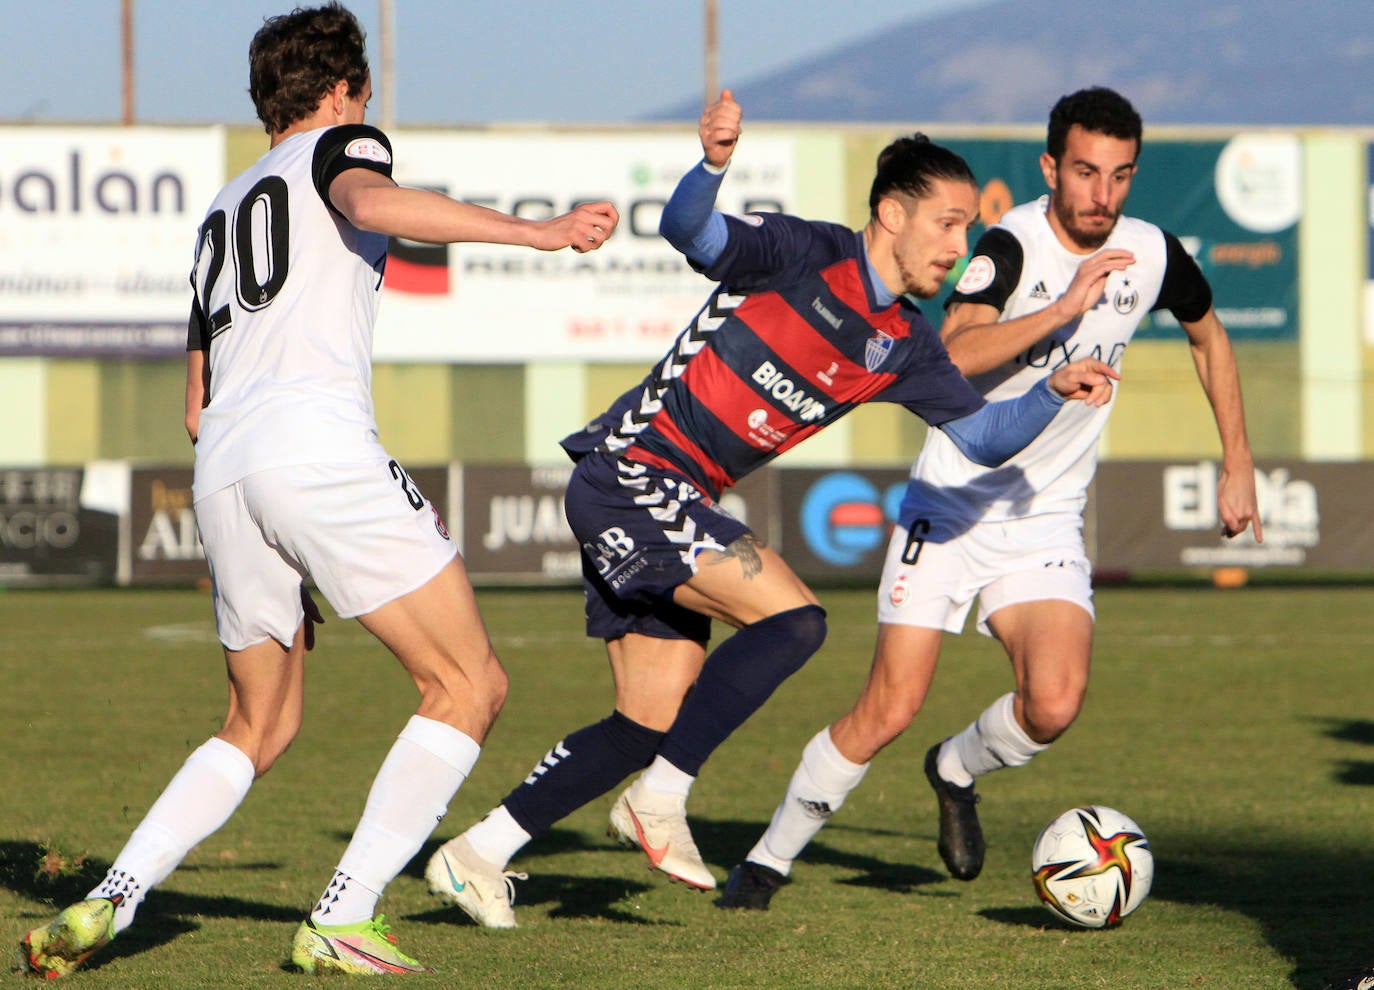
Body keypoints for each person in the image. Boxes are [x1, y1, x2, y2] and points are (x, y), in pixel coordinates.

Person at [422, 88, 1119, 929]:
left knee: (648, 720)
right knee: (795, 623)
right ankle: (663, 799)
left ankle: (478, 854)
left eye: (968, 227)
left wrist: (1052, 391)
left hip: (669, 496)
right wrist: (713, 165)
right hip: (636, 473)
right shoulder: (800, 252)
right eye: (948, 222)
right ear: (891, 216)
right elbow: (693, 233)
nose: (960, 244)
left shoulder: (905, 340)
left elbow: (981, 438)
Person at [18, 3, 618, 978]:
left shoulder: (222, 208)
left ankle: (112, 897)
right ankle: (344, 912)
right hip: (314, 445)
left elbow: (194, 399)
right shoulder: (344, 144)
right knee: (470, 683)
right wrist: (536, 232)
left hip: (225, 468)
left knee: (260, 723)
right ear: (342, 92)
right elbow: (373, 206)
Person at [720, 85, 1263, 910]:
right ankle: (765, 863)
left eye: (1120, 175)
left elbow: (1208, 332)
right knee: (888, 707)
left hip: (1043, 518)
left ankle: (955, 767)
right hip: (951, 508)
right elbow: (954, 349)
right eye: (1084, 173)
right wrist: (1064, 309)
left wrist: (1238, 460)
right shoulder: (1008, 247)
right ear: (1052, 169)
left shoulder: (1154, 252)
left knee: (1053, 704)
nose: (1101, 195)